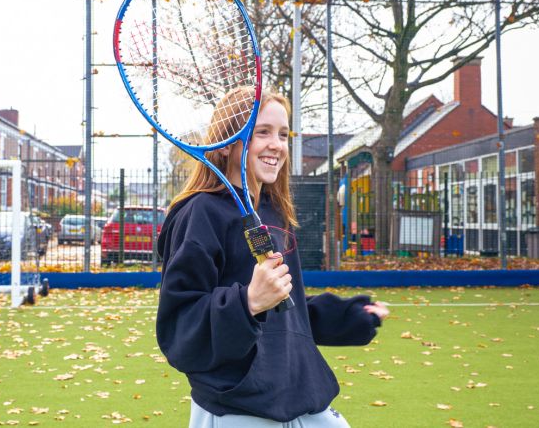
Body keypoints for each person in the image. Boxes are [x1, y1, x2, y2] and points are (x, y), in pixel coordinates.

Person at [156, 87, 389, 427]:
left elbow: (285, 308)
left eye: (282, 134)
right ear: (227, 142)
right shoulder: (200, 213)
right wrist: (247, 302)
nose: (276, 145)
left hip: (299, 398)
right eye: (261, 132)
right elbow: (179, 327)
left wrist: (349, 316)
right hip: (237, 406)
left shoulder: (274, 213)